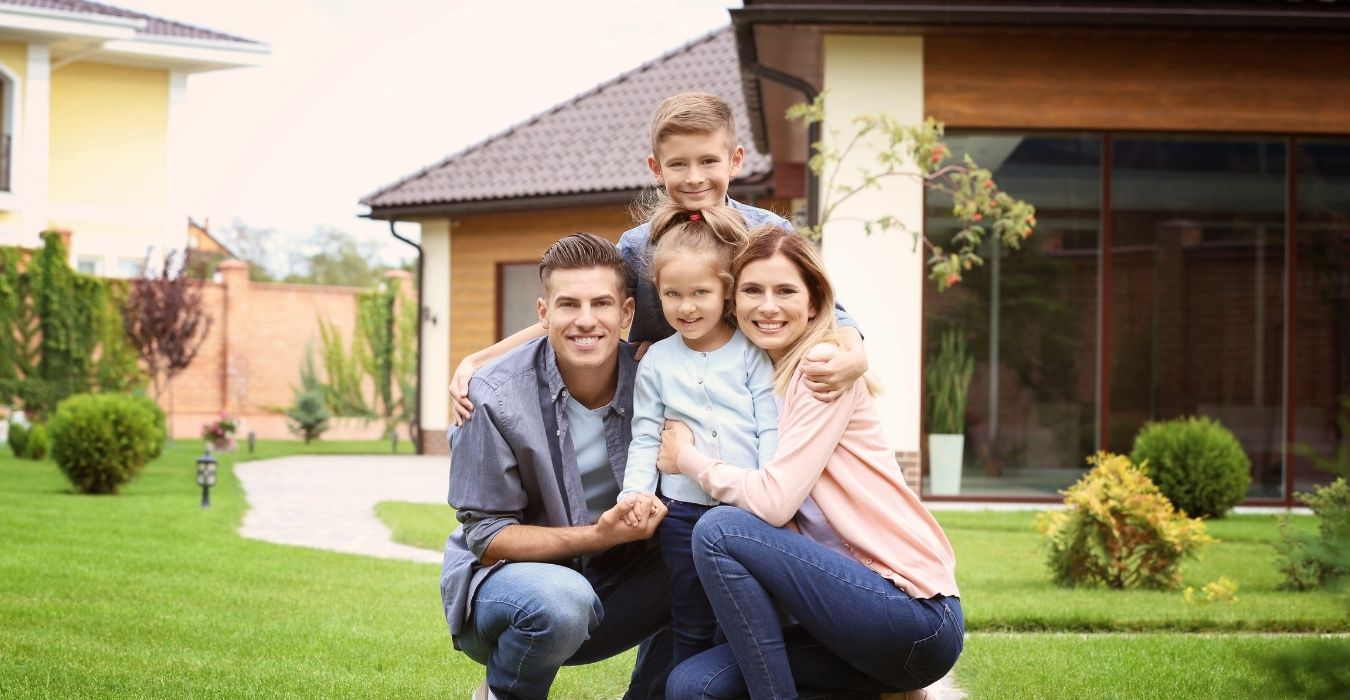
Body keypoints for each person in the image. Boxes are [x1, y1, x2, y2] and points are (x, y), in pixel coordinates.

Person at [656, 226, 964, 700]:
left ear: (816, 303)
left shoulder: (821, 366)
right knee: (694, 687)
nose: (768, 306)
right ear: (734, 304)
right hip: (846, 622)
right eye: (753, 291)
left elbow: (775, 503)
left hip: (912, 612)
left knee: (718, 530)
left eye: (785, 291)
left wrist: (687, 458)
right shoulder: (762, 382)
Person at [446, 92, 868, 427]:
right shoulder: (637, 246)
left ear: (735, 160)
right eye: (678, 164)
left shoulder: (768, 233)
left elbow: (831, 312)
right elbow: (582, 307)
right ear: (656, 168)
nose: (695, 177)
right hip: (671, 405)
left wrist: (856, 355)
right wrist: (479, 359)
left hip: (759, 399)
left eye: (708, 161)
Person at [440, 232, 673, 700]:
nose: (586, 321)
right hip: (511, 591)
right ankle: (503, 692)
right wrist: (598, 536)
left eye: (601, 304)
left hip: (617, 581)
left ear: (626, 313)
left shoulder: (660, 380)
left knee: (712, 551)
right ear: (544, 313)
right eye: (568, 305)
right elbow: (486, 539)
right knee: (562, 600)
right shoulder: (491, 396)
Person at [617, 202, 779, 666]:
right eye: (672, 294)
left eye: (700, 293)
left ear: (726, 292)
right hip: (682, 513)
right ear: (658, 294)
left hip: (744, 507)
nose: (686, 307)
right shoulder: (656, 362)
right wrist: (635, 493)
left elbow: (769, 424)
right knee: (688, 620)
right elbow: (646, 436)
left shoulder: (751, 352)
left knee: (743, 619)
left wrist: (770, 486)